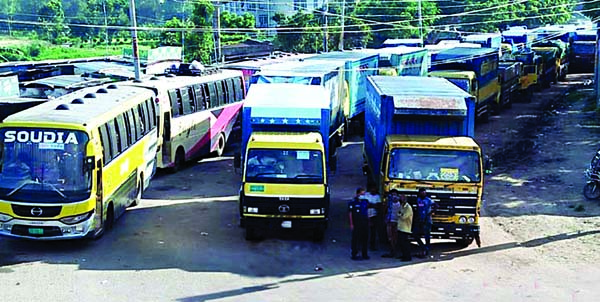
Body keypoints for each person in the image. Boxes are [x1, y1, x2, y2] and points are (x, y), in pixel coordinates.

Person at [414, 188, 437, 258]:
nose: (423, 194)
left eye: (424, 193)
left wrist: (430, 212)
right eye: (422, 193)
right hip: (420, 220)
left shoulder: (429, 200)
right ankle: (423, 247)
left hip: (427, 220)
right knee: (415, 234)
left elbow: (436, 205)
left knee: (427, 235)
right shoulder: (418, 200)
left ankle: (426, 250)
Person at [348, 187, 370, 260]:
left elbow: (367, 211)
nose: (363, 195)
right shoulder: (353, 202)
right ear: (358, 193)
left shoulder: (365, 201)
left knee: (365, 238)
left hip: (364, 221)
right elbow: (350, 213)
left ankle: (364, 254)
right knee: (356, 238)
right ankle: (354, 254)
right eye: (362, 193)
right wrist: (351, 224)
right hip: (356, 222)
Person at [381, 190, 402, 258]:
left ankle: (395, 251)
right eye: (392, 195)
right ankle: (392, 250)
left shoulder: (401, 203)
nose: (394, 196)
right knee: (390, 237)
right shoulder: (389, 202)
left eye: (395, 194)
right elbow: (384, 210)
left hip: (397, 222)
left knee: (396, 237)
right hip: (390, 221)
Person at [364, 184, 382, 251]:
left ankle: (372, 245)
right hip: (366, 215)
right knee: (364, 231)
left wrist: (371, 205)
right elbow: (365, 205)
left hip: (374, 216)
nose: (373, 190)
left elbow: (378, 206)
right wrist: (372, 205)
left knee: (373, 232)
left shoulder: (378, 197)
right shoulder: (366, 195)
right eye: (372, 188)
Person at [396, 192, 413, 262]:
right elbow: (398, 213)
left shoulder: (408, 207)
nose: (401, 200)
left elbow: (404, 216)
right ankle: (403, 255)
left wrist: (400, 214)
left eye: (402, 199)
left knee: (405, 244)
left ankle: (407, 257)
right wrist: (400, 214)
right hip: (400, 227)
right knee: (401, 243)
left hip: (406, 228)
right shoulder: (401, 206)